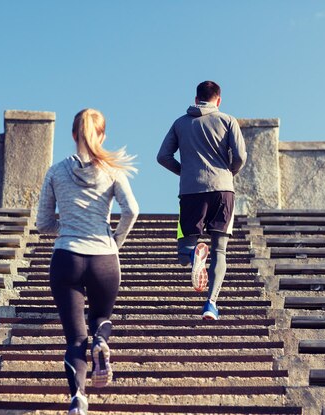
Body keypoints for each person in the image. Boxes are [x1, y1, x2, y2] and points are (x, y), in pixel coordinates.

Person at [36, 108, 139, 415]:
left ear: (72, 135)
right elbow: (132, 210)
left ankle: (78, 397)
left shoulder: (55, 171)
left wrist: (66, 228)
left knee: (75, 337)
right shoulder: (113, 171)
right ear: (102, 135)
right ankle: (102, 343)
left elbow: (42, 223)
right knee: (101, 319)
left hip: (67, 257)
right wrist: (113, 241)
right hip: (104, 258)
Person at [156, 80, 247, 321]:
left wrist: (184, 172)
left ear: (196, 99)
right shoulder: (228, 120)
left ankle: (193, 252)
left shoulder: (180, 123)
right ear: (218, 100)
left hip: (190, 193)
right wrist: (229, 172)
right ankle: (211, 305)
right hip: (223, 191)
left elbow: (163, 156)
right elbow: (240, 156)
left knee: (183, 251)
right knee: (219, 250)